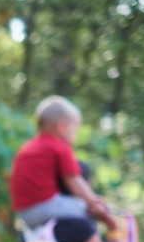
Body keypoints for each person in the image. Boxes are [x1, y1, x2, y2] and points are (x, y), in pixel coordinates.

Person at [9, 95, 118, 231]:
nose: (75, 136)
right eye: (75, 130)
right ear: (62, 127)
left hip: (23, 213)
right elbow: (74, 181)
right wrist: (93, 202)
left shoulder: (29, 147)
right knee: (88, 211)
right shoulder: (59, 146)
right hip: (44, 207)